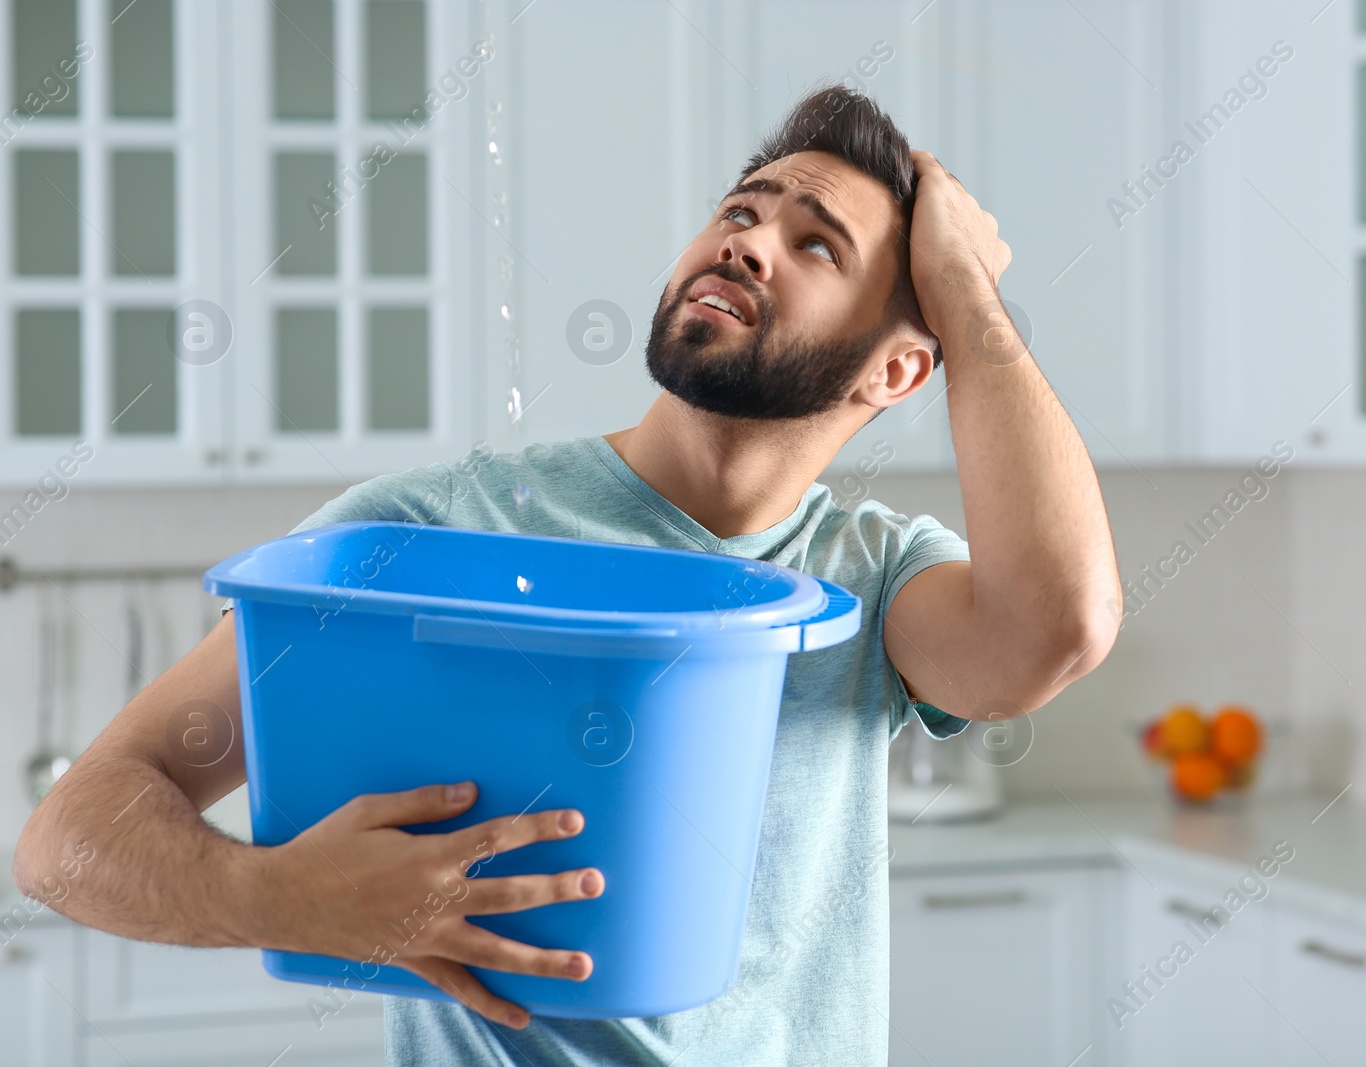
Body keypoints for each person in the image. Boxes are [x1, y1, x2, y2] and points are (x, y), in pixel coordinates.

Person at [12, 84, 1121, 1065]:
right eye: (740, 210)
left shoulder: (869, 584)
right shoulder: (432, 527)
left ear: (897, 368)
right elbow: (71, 836)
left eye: (816, 244)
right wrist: (277, 897)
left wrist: (963, 291)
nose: (746, 243)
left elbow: (1053, 631)